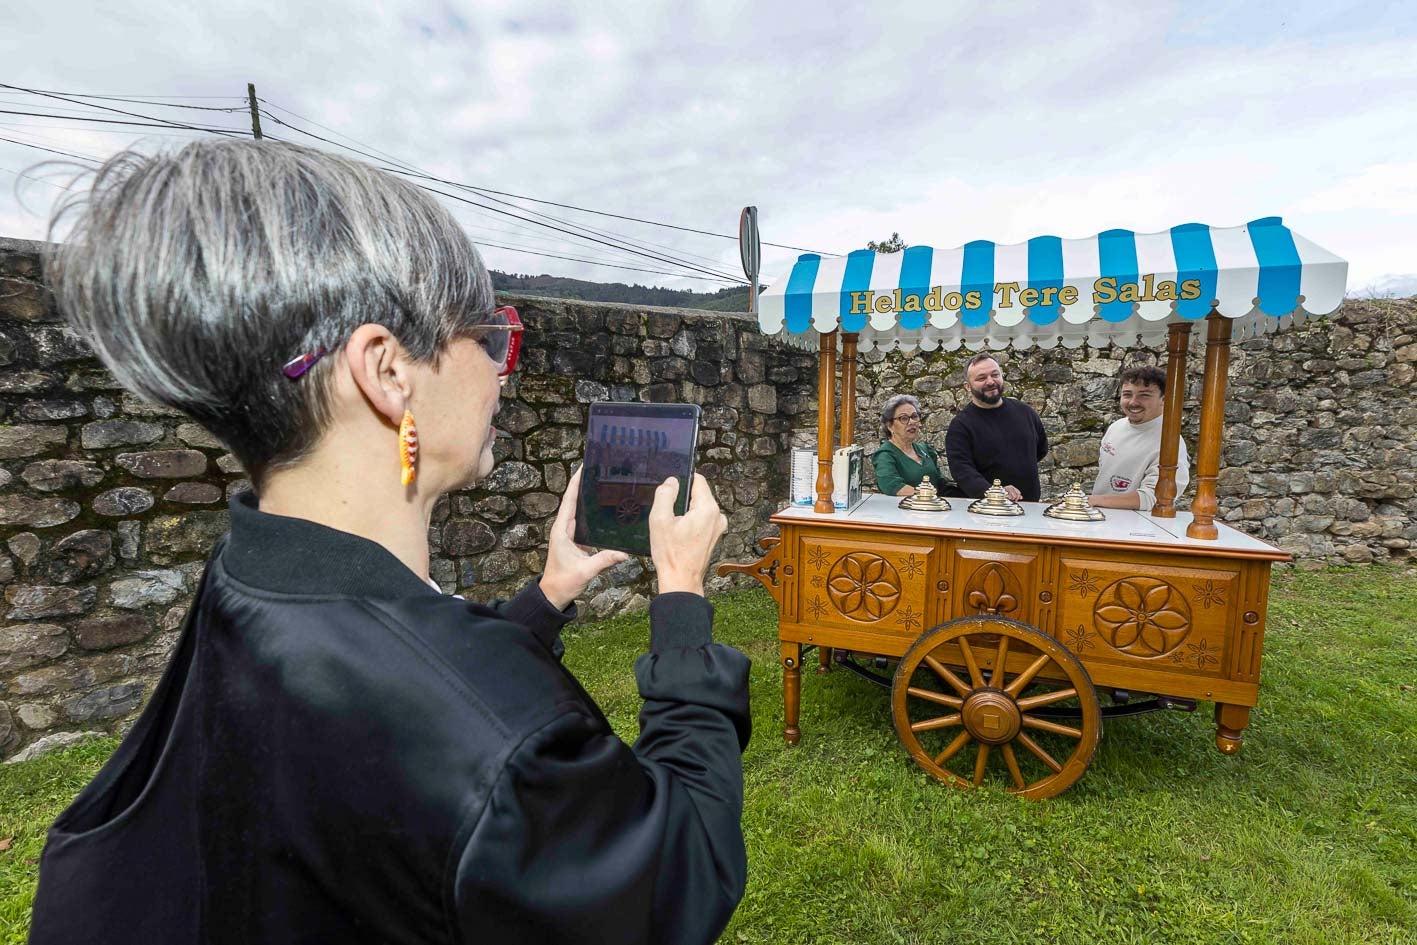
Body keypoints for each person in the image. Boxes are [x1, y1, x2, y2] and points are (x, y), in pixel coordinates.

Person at [29, 140, 750, 945]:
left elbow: (397, 718)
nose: (501, 371)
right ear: (387, 370)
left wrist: (545, 599)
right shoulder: (510, 744)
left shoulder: (252, 572)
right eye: (489, 335)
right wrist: (681, 596)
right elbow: (680, 873)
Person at [945, 353, 1048, 502]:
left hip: (1030, 506)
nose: (990, 381)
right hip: (987, 511)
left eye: (995, 375)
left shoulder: (1025, 412)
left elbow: (1041, 450)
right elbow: (962, 471)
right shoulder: (961, 426)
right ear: (967, 387)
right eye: (981, 378)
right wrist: (995, 493)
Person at [1090, 364, 1190, 511]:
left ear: (1164, 399)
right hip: (1100, 521)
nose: (1133, 402)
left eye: (1144, 395)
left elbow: (1152, 499)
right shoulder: (1116, 427)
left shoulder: (1170, 442)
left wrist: (1091, 500)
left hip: (1140, 528)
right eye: (1127, 394)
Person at [870, 394, 953, 496]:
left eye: (914, 416)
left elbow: (939, 483)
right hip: (905, 509)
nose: (912, 422)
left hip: (934, 508)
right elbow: (891, 485)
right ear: (889, 426)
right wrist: (927, 496)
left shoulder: (925, 450)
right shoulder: (885, 454)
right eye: (904, 418)